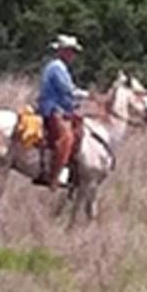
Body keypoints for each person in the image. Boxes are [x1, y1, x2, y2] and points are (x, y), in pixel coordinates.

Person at [34, 34, 88, 189]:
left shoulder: (60, 67)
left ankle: (70, 172)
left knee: (79, 131)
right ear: (62, 51)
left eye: (73, 52)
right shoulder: (57, 67)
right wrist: (85, 95)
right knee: (66, 138)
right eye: (70, 51)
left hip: (61, 107)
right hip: (52, 108)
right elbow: (67, 90)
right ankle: (54, 177)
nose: (73, 55)